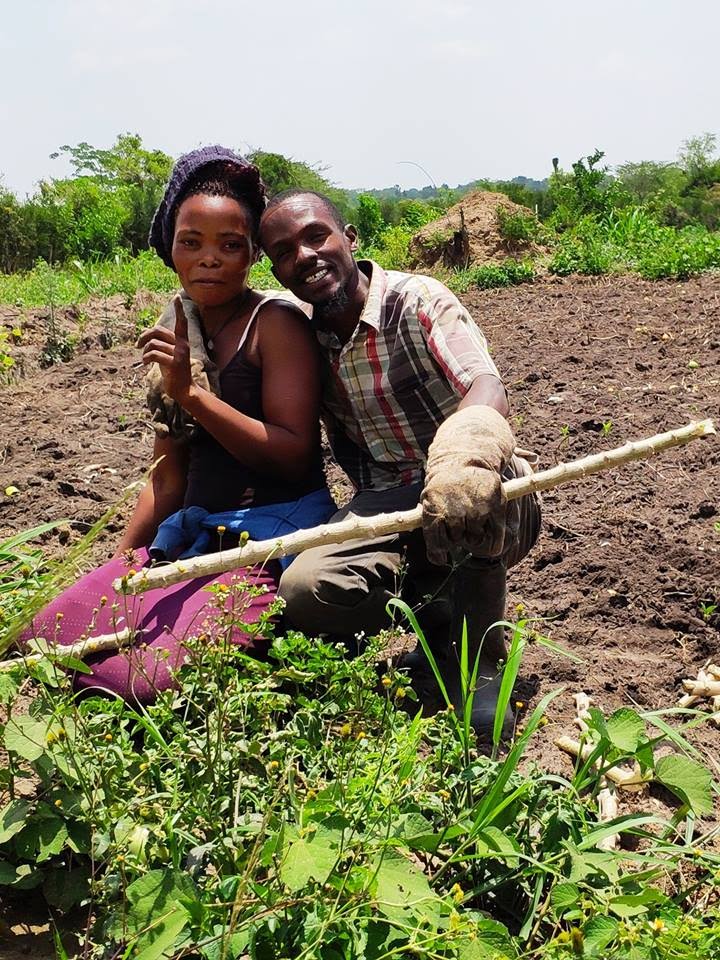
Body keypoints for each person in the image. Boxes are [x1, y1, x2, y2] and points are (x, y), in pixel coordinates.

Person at [23, 150, 335, 704]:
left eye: (229, 245)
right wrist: (122, 571)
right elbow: (168, 477)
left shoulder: (274, 324)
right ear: (170, 247)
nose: (208, 258)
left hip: (263, 543)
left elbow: (292, 457)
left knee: (139, 683)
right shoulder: (176, 329)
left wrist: (192, 394)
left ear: (253, 255)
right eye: (191, 242)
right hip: (189, 540)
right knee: (41, 639)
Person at [258, 190, 541, 735]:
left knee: (467, 506)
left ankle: (480, 664)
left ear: (349, 238)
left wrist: (461, 458)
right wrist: (185, 339)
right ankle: (440, 621)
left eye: (316, 236)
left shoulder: (417, 299)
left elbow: (485, 386)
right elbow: (227, 308)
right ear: (278, 271)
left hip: (482, 479)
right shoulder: (301, 332)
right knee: (304, 589)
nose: (305, 256)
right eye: (285, 252)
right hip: (386, 500)